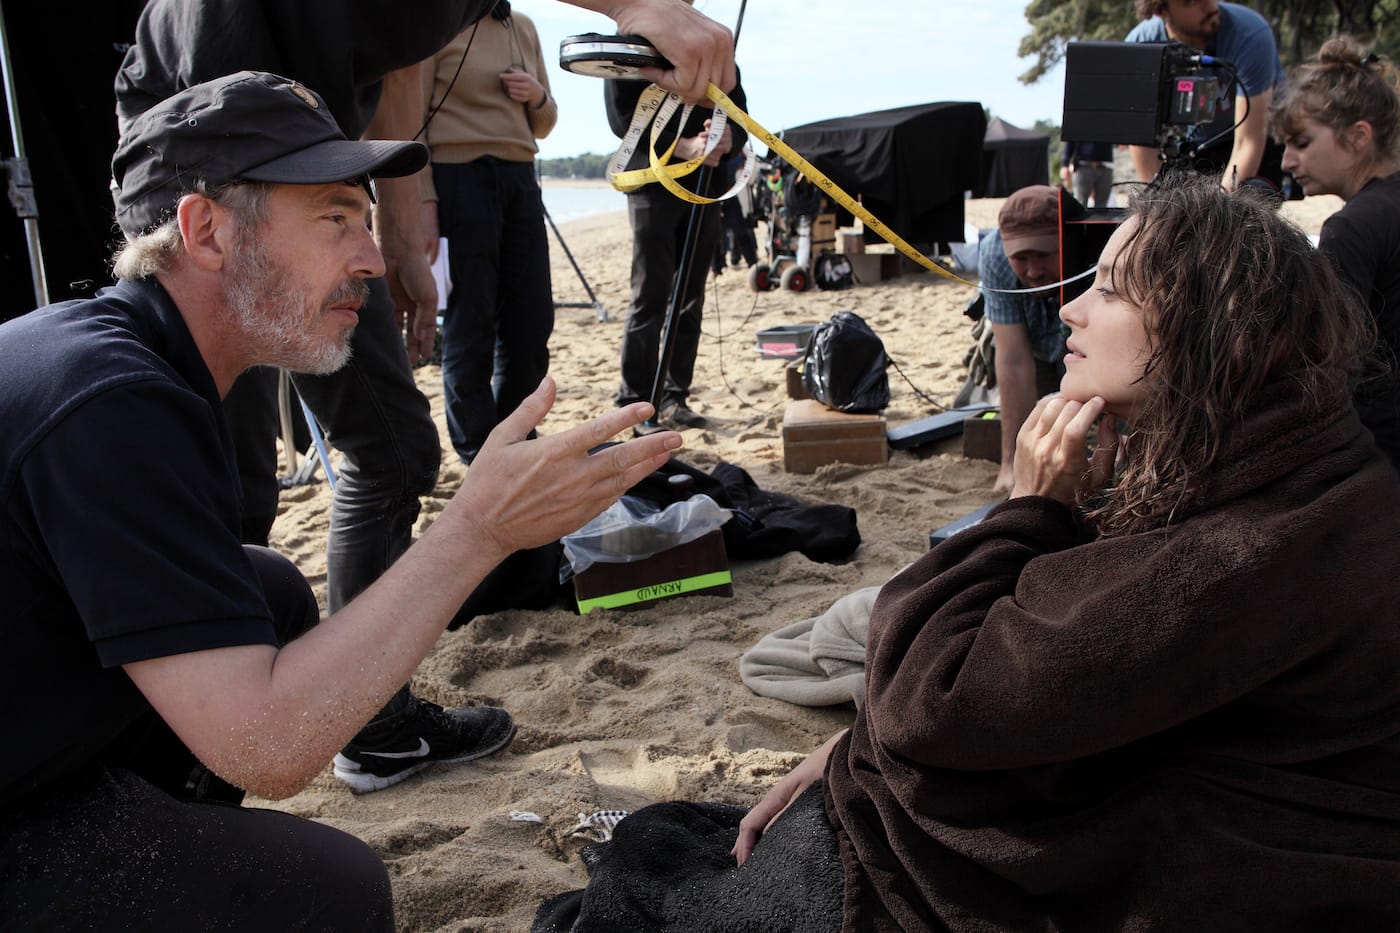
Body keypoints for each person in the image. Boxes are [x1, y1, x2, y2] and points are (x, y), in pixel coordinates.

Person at [532, 176, 1400, 932]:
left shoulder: (1243, 548)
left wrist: (1026, 510)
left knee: (660, 877)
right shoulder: (1289, 464)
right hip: (1180, 814)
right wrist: (847, 749)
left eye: (1110, 289)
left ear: (1205, 324)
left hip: (1190, 868)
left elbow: (936, 707)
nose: (1069, 308)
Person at [0, 71, 682, 928]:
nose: (368, 256)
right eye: (333, 217)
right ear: (204, 230)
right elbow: (268, 747)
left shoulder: (129, 357)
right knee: (330, 891)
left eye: (366, 220)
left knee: (270, 593)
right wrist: (480, 527)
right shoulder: (111, 399)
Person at [113, 0, 735, 791]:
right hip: (207, 143)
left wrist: (400, 238)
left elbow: (401, 81)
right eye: (347, 225)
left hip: (268, 162)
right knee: (269, 479)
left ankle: (313, 728)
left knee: (314, 483)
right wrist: (637, 7)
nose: (364, 260)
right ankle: (263, 745)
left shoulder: (404, 44)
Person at [419, 0, 557, 465]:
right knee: (469, 321)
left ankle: (516, 438)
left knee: (532, 320)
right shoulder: (434, 23)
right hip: (458, 177)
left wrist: (537, 96)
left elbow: (546, 121)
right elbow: (409, 121)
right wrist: (423, 201)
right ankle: (477, 450)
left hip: (520, 176)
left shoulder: (522, 26)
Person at [1273, 37, 1400, 471]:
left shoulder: (1351, 228)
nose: (1287, 161)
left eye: (1301, 142)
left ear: (1359, 136)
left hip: (1380, 450)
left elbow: (1326, 357)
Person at [604, 69, 749, 430]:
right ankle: (634, 402)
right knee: (649, 296)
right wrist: (684, 146)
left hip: (705, 185)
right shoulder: (633, 40)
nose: (688, 6)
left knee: (689, 298)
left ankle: (673, 396)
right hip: (651, 184)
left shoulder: (714, 46)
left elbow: (741, 116)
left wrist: (728, 139)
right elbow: (622, 120)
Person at [1126, 0, 1284, 191]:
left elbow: (1249, 139)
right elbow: (1143, 141)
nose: (1211, 7)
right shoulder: (1141, 46)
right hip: (1185, 146)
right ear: (1159, 10)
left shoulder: (1249, 34)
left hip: (1245, 137)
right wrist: (1159, 205)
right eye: (1192, 2)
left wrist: (1224, 209)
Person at [978, 184, 1068, 493]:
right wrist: (1012, 464)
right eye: (1021, 258)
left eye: (1044, 255)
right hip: (1035, 345)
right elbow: (1013, 360)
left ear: (1065, 238)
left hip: (1088, 349)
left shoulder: (1095, 248)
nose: (1034, 270)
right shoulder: (993, 255)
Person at [1060, 139, 1115, 206]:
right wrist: (1065, 164)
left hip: (1105, 166)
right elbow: (1070, 140)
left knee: (1102, 206)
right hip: (1083, 166)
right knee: (1080, 204)